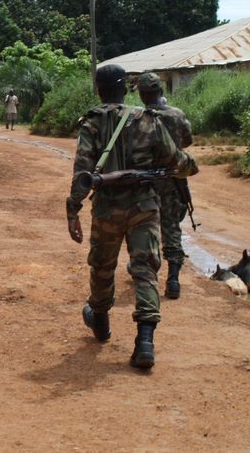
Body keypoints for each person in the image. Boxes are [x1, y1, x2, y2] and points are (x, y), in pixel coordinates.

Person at [66, 64, 198, 369]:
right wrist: (190, 166)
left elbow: (82, 169)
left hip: (107, 208)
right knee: (145, 271)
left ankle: (100, 323)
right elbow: (177, 160)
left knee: (102, 267)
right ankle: (145, 342)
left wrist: (73, 207)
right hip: (144, 206)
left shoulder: (92, 122)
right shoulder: (148, 120)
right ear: (126, 88)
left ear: (98, 89)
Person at [137, 72, 193, 299]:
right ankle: (173, 278)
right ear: (160, 91)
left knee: (145, 229)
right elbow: (187, 141)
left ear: (142, 95)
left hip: (145, 181)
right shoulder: (177, 115)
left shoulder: (137, 117)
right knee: (171, 227)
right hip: (172, 179)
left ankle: (147, 273)